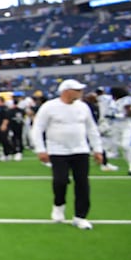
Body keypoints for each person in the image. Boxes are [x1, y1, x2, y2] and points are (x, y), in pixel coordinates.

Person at [31, 79, 105, 230]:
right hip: (57, 150)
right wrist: (40, 149)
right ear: (66, 91)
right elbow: (38, 128)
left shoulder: (83, 107)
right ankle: (59, 205)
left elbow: (91, 129)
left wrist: (97, 149)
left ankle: (80, 216)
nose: (80, 92)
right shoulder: (50, 107)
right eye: (77, 90)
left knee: (82, 183)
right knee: (60, 181)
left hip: (81, 150)